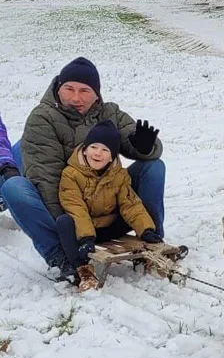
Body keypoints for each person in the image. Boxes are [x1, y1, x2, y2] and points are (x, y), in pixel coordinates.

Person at [0, 58, 164, 277]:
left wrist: (144, 146)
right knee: (14, 188)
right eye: (69, 89)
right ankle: (59, 255)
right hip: (69, 207)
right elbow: (45, 178)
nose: (76, 98)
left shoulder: (109, 113)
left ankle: (152, 242)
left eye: (84, 91)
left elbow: (136, 138)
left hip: (107, 204)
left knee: (153, 166)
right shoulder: (43, 118)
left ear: (96, 94)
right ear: (59, 89)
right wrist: (70, 230)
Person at [55, 121, 162, 291]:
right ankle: (82, 269)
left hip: (107, 226)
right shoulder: (71, 174)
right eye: (94, 147)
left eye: (105, 150)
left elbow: (130, 203)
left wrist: (146, 229)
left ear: (112, 156)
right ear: (85, 149)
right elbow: (75, 207)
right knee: (64, 222)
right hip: (83, 231)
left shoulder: (119, 175)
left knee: (142, 208)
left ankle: (153, 249)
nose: (98, 153)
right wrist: (86, 238)